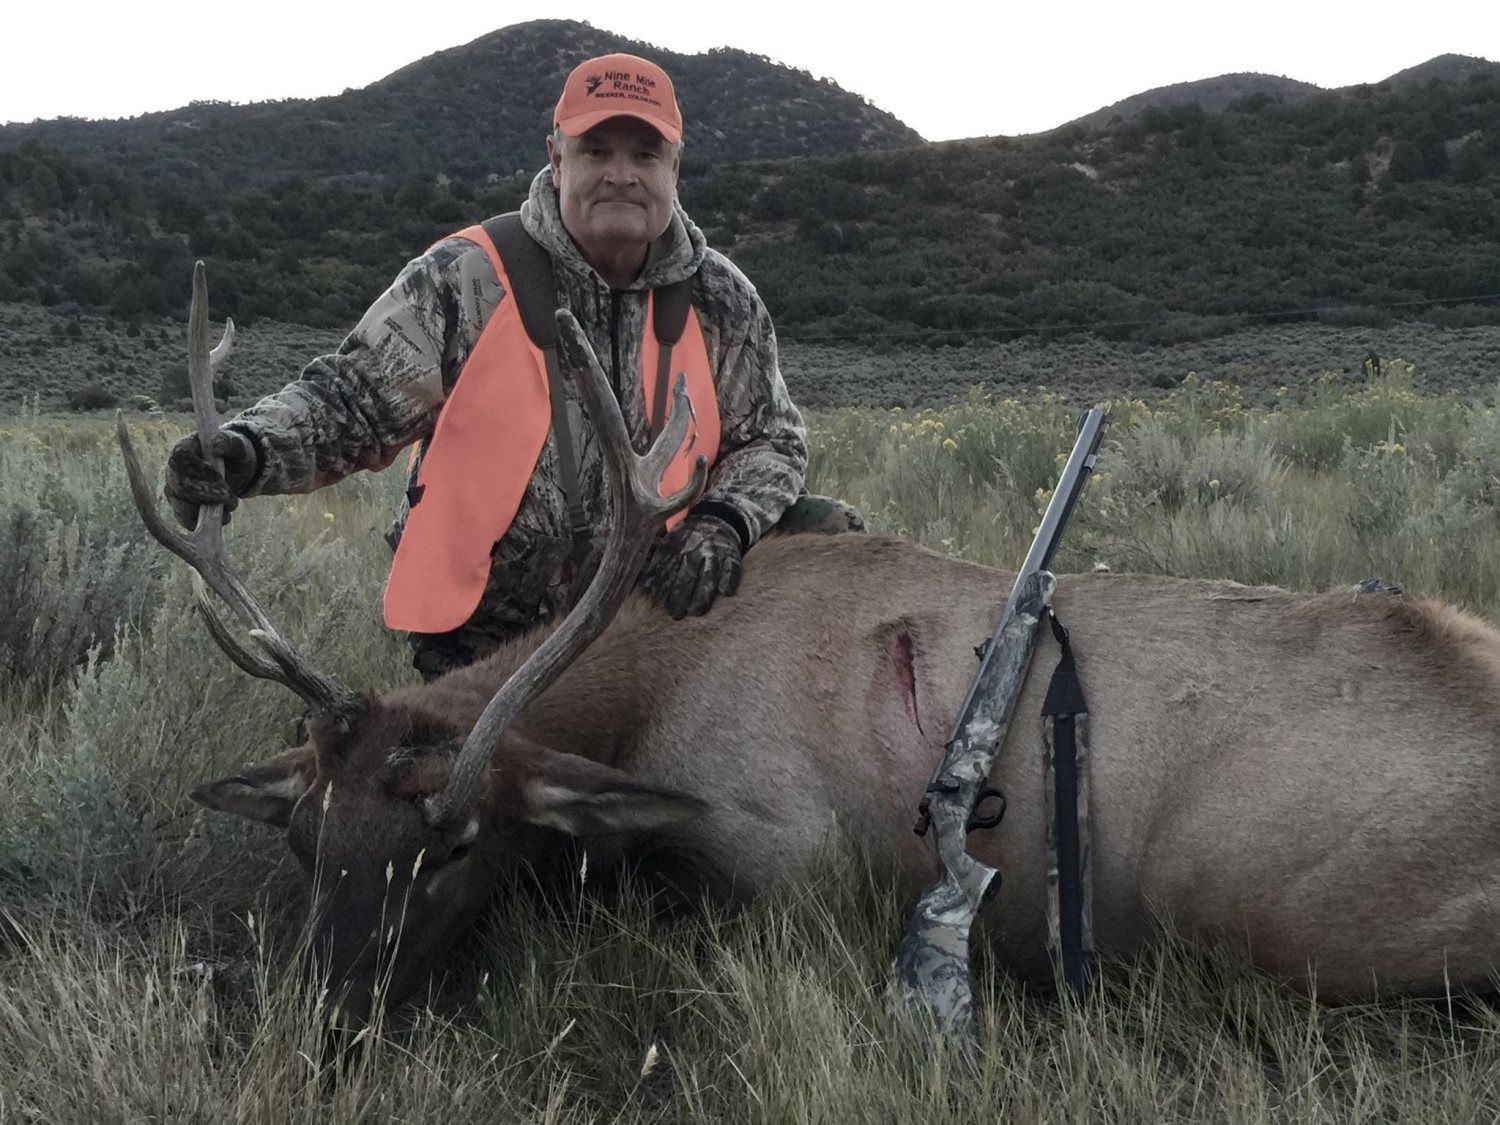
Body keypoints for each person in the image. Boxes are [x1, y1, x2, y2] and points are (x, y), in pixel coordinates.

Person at [164, 52, 861, 680]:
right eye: (596, 150)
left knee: (827, 530)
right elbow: (350, 401)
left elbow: (771, 440)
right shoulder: (466, 278)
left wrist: (721, 523)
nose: (621, 174)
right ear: (556, 159)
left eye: (645, 155)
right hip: (484, 645)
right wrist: (248, 449)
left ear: (673, 170)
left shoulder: (721, 300)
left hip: (653, 626)